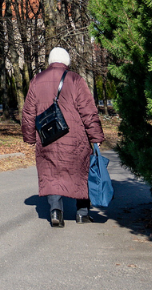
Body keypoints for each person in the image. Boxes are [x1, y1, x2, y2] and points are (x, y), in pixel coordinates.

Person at [22, 47, 106, 227]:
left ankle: (55, 212)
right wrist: (95, 136)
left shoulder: (37, 80)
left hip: (48, 137)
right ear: (66, 62)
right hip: (76, 138)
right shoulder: (75, 79)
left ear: (50, 61)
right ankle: (82, 213)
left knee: (51, 173)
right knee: (81, 172)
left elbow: (28, 112)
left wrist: (29, 136)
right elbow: (88, 111)